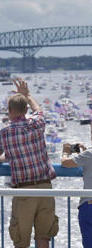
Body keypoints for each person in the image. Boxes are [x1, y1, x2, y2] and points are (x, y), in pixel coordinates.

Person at [0, 78, 58, 248]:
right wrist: (28, 95)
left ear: (9, 111)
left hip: (24, 191)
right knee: (43, 237)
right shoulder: (37, 124)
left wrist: (8, 155)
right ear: (25, 110)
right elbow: (38, 110)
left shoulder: (4, 133)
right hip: (45, 189)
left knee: (21, 240)